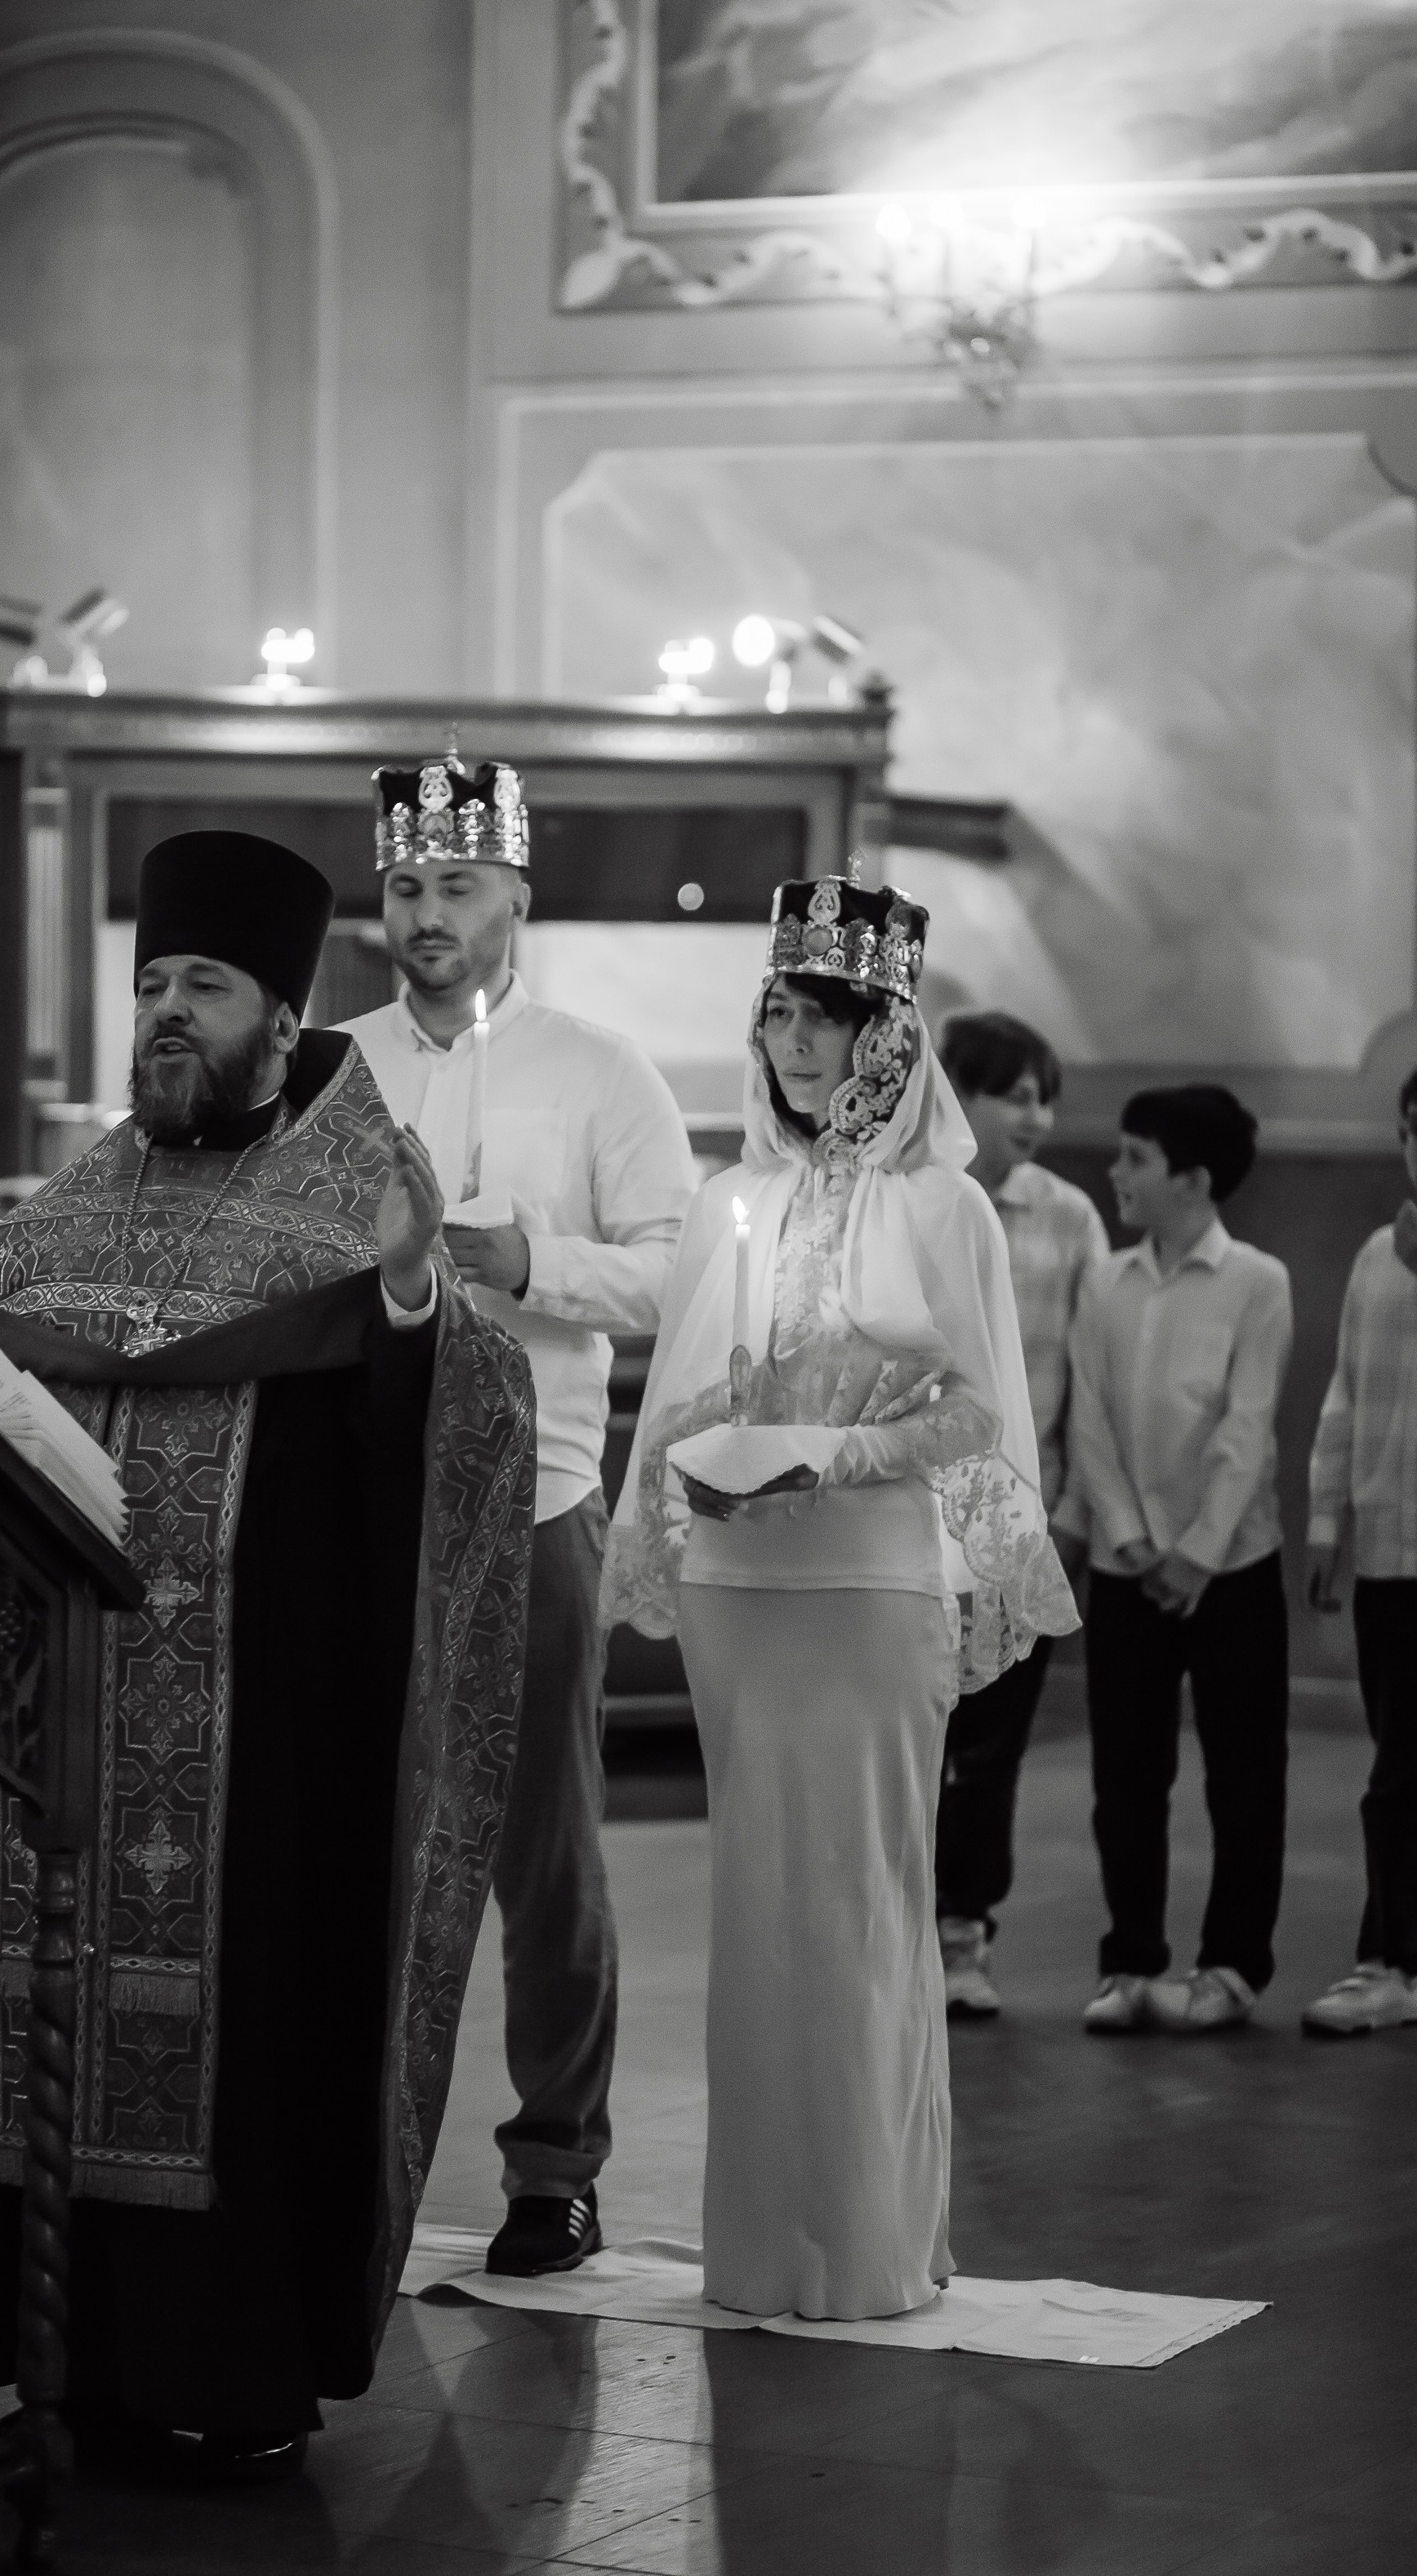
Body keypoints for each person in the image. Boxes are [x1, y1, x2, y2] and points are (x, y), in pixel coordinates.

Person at [0, 829, 537, 2484]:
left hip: (265, 1756)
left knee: (253, 2049)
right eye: (151, 983)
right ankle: (67, 2357)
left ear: (283, 1021)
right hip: (60, 1737)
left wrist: (413, 1301)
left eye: (201, 986)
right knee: (39, 2025)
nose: (166, 1013)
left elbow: (450, 1439)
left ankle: (231, 2367)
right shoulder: (80, 1204)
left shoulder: (357, 1202)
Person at [601, 875, 1077, 2322]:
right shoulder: (728, 1201)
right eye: (774, 1013)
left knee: (864, 1902)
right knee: (758, 1908)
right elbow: (678, 1394)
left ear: (882, 1035)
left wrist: (833, 1447)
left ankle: (867, 2244)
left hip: (869, 1582)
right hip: (744, 1585)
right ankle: (762, 2249)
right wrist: (718, 1450)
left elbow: (978, 1418)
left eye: (818, 1016)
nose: (788, 1041)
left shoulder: (943, 1209)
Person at [342, 755, 693, 2279]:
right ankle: (340, 2152)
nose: (429, 912)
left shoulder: (600, 1072)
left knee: (540, 1842)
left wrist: (519, 1256)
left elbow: (684, 1273)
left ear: (516, 898)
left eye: (458, 886)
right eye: (409, 885)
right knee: (348, 1833)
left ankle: (554, 2161)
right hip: (352, 1491)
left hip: (538, 1492)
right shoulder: (328, 1066)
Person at [1067, 1085, 1293, 2037]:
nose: (1115, 1173)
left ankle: (1232, 1965)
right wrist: (1124, 1535)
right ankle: (1130, 1960)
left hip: (1231, 1567)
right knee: (1125, 1776)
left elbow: (1246, 1428)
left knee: (1242, 1772)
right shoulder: (1104, 1279)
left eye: (1134, 1157)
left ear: (1192, 1179)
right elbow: (1088, 1416)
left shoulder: (1256, 1279)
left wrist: (1197, 1553)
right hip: (1126, 1568)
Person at [934, 1010, 1109, 2018]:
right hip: (917, 1516)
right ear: (958, 1091)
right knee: (916, 1732)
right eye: (1015, 1093)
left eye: (1046, 1095)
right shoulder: (923, 1201)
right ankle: (900, 1921)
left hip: (1020, 1518)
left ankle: (967, 1933)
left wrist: (1074, 1510)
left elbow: (1089, 1378)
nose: (1036, 1115)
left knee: (992, 1744)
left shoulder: (1069, 1217)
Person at [1301, 1065, 1417, 2036]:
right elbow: (1342, 1394)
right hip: (1388, 1547)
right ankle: (1392, 1956)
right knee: (1395, 1760)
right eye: (1410, 1127)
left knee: (1401, 1771)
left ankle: (1390, 1956)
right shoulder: (1378, 1255)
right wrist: (1327, 1524)